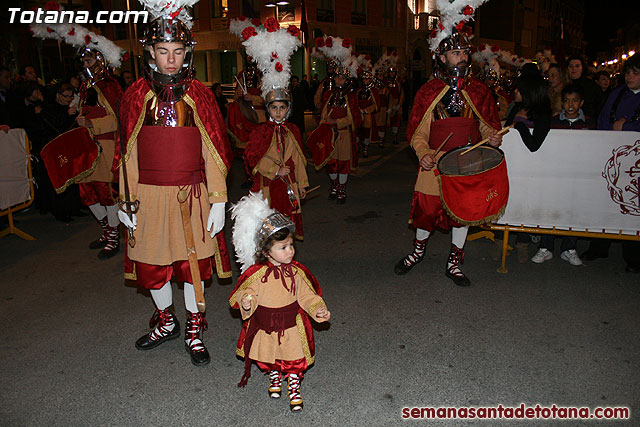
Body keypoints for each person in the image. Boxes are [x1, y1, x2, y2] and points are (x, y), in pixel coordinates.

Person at [118, 0, 233, 365]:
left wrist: (218, 200)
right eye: (163, 50)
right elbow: (127, 155)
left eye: (178, 51)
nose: (171, 59)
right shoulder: (135, 95)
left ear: (188, 52)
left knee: (191, 269)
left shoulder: (200, 94)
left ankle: (195, 330)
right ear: (150, 51)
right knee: (154, 268)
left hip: (192, 196)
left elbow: (212, 150)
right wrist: (126, 201)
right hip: (149, 198)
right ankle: (167, 323)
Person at [393, 17, 502, 286]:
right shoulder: (428, 91)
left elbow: (487, 126)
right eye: (456, 53)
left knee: (461, 213)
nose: (462, 57)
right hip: (435, 162)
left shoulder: (479, 90)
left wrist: (492, 137)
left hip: (467, 163)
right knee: (426, 211)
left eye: (465, 52)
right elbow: (418, 134)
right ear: (441, 57)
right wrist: (423, 154)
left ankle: (454, 261)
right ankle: (417, 252)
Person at [229, 193, 330, 412]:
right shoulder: (257, 274)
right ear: (266, 252)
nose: (290, 251)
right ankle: (274, 376)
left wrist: (317, 308)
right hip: (266, 327)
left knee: (294, 360)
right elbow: (247, 292)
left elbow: (306, 294)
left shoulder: (297, 272)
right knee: (269, 357)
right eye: (283, 247)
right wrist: (247, 302)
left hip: (291, 326)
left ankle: (293, 385)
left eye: (291, 245)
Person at [242, 23, 308, 238]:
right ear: (268, 108)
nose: (278, 112)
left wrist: (302, 184)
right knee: (269, 223)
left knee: (287, 222)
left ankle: (285, 252)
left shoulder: (292, 130)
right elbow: (252, 157)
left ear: (288, 109)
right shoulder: (261, 131)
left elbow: (297, 159)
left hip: (289, 184)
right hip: (269, 183)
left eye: (282, 107)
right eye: (274, 107)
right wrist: (273, 170)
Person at [581, 53, 640, 272]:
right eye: (628, 72)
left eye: (635, 73)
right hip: (613, 158)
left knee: (632, 206)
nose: (629, 76)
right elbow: (603, 120)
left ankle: (634, 258)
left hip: (635, 163)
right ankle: (599, 247)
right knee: (605, 203)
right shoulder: (617, 93)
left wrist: (626, 127)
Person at [531, 84, 594, 266]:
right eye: (566, 101)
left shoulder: (589, 123)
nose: (570, 104)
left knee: (572, 210)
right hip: (555, 175)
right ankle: (546, 247)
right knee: (550, 208)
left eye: (575, 100)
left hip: (577, 176)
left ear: (581, 102)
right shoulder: (553, 121)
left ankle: (569, 248)